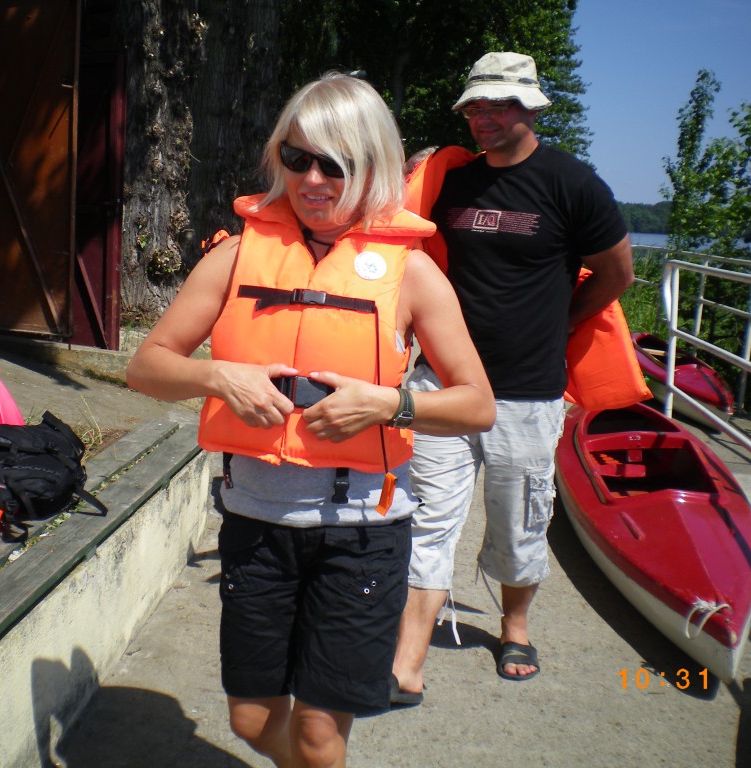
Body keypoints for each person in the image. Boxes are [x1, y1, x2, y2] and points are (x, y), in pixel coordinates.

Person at [126, 72, 494, 768]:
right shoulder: (235, 255)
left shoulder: (414, 275)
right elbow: (146, 367)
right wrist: (217, 376)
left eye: (336, 163)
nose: (312, 180)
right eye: (297, 159)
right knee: (250, 719)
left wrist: (391, 403)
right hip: (256, 523)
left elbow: (478, 403)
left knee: (322, 734)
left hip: (363, 536)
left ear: (373, 166)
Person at [390, 51, 635, 697]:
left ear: (530, 108)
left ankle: (515, 626)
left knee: (519, 522)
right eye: (474, 106)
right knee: (426, 518)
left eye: (497, 105)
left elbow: (617, 274)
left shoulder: (573, 183)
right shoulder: (453, 183)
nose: (482, 117)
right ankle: (407, 657)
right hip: (443, 382)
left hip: (526, 394)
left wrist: (562, 325)